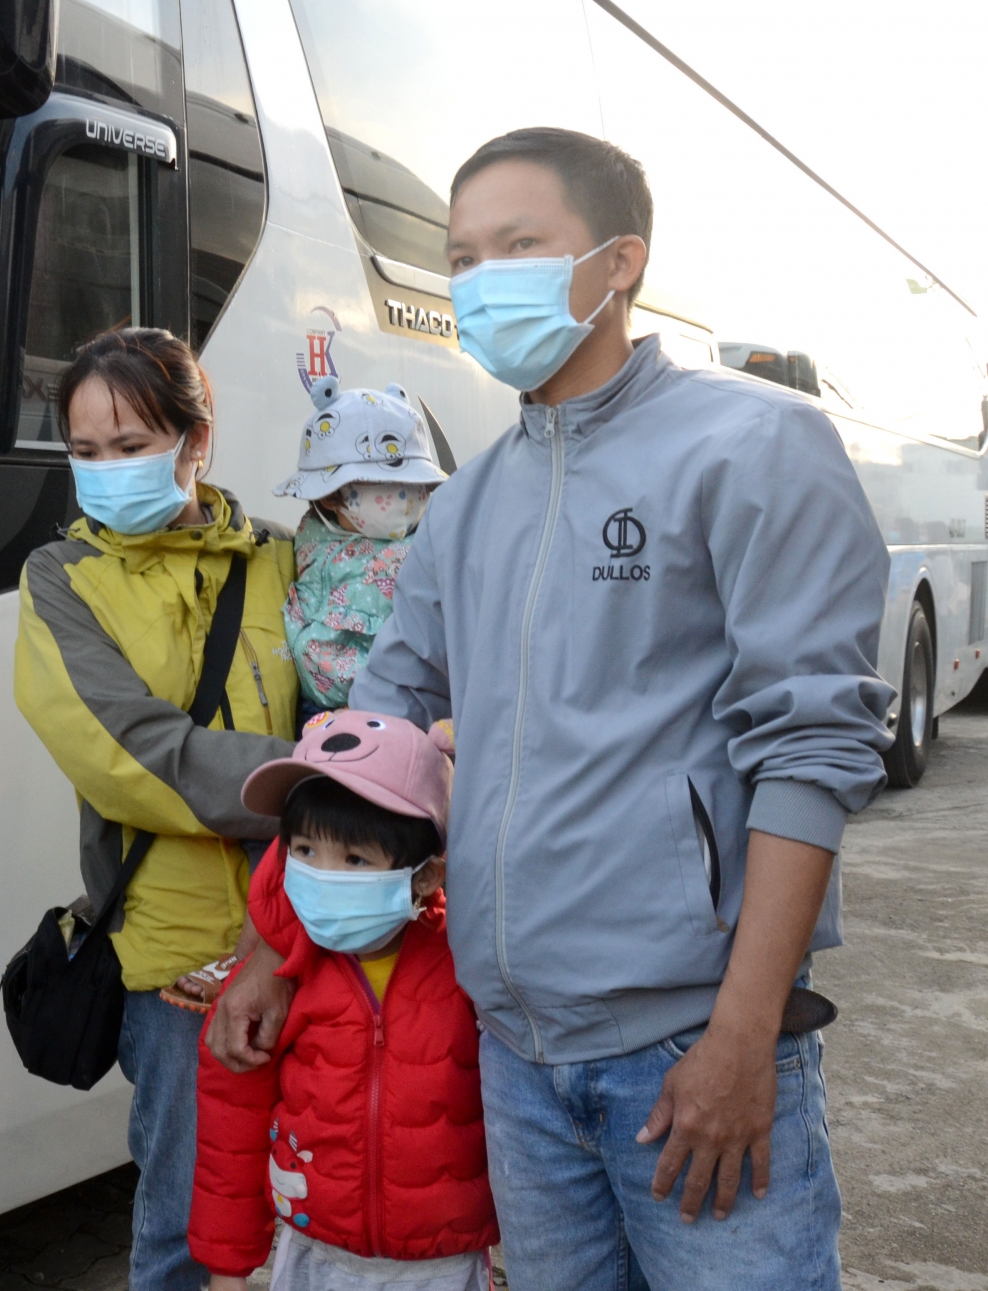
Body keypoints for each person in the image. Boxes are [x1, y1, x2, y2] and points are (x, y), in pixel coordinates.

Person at [207, 128, 892, 1289]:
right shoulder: (467, 504)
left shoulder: (753, 444)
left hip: (690, 1047)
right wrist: (273, 948)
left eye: (518, 246)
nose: (482, 282)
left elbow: (813, 748)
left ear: (619, 262)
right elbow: (368, 742)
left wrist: (742, 1035)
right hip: (516, 1061)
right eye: (462, 258)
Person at [13, 327, 300, 1291]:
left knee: (334, 1207)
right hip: (177, 967)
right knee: (187, 1227)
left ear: (196, 440)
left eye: (131, 445)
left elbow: (359, 705)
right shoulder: (59, 579)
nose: (106, 470)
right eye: (85, 451)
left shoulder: (284, 560)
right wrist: (315, 780)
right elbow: (132, 756)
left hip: (314, 933)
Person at [190, 710, 496, 1291]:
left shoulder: (469, 963)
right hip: (312, 1260)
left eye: (355, 859)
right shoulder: (273, 984)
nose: (321, 875)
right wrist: (227, 1271)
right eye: (304, 849)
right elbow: (230, 1130)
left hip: (442, 1267)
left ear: (426, 877)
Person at [273, 381, 447, 720]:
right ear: (330, 496)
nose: (409, 496)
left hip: (395, 713)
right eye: (388, 484)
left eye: (417, 485)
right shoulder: (308, 536)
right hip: (311, 712)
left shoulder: (434, 548)